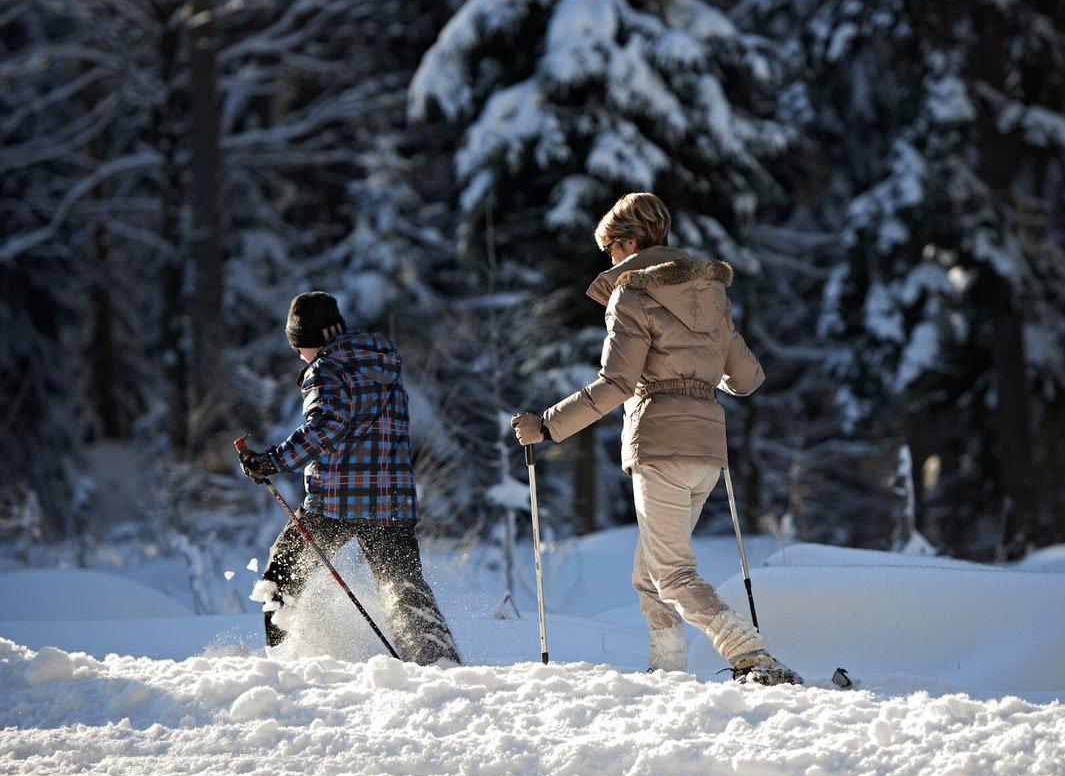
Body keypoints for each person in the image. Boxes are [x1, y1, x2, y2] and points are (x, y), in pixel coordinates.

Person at [511, 193, 801, 685]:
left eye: (610, 249)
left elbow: (618, 383)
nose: (610, 259)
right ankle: (666, 671)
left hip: (660, 445)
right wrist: (703, 378)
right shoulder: (712, 295)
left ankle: (751, 656)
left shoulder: (633, 294)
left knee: (672, 574)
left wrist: (548, 425)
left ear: (629, 242)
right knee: (650, 573)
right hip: (707, 450)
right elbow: (747, 378)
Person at [238, 290, 461, 665]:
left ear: (310, 340)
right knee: (405, 592)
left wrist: (272, 462)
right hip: (393, 501)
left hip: (336, 503)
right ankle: (439, 667)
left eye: (299, 348)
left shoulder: (326, 369)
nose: (300, 356)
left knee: (279, 582)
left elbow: (328, 424)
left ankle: (282, 665)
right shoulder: (384, 362)